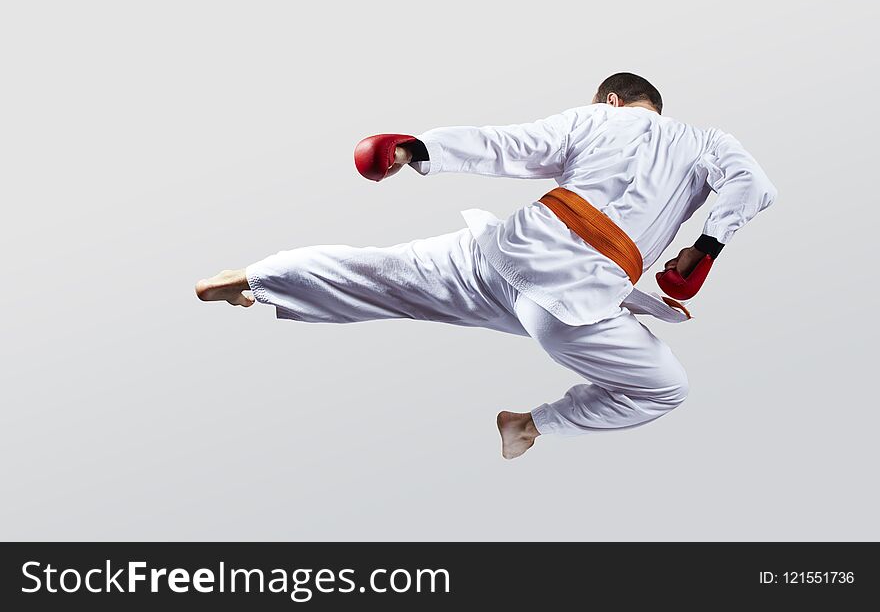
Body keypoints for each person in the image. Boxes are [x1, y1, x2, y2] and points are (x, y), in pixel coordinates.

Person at [195, 72, 777, 459]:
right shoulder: (706, 142)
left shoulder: (595, 120)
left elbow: (509, 145)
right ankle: (529, 425)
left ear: (611, 100)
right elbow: (753, 184)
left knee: (378, 274)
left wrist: (417, 149)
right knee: (661, 390)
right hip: (571, 299)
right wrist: (707, 247)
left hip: (502, 251)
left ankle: (257, 279)